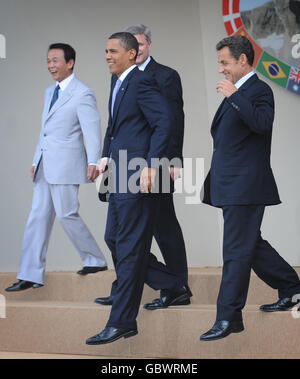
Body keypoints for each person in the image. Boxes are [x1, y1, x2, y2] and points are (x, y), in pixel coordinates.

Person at [200, 35, 300, 341]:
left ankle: (229, 317)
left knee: (234, 251)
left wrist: (234, 95)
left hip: (245, 186)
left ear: (243, 60)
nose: (221, 69)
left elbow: (262, 123)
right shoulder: (238, 93)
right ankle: (293, 288)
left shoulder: (258, 91)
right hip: (229, 185)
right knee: (249, 245)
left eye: (224, 62)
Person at [85, 32, 183, 345]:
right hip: (117, 171)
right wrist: (102, 158)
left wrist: (153, 165)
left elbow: (165, 121)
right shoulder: (119, 82)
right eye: (105, 51)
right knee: (114, 238)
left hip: (137, 173)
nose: (107, 56)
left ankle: (122, 321)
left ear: (131, 53)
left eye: (113, 51)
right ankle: (174, 284)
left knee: (127, 247)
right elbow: (115, 128)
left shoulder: (142, 81)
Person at [6, 43, 107, 292]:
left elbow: (92, 129)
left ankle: (95, 260)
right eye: (48, 60)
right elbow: (46, 130)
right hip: (44, 164)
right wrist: (34, 160)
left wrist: (94, 161)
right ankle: (30, 274)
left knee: (66, 214)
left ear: (70, 63)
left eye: (55, 60)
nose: (50, 65)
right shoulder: (49, 91)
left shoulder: (83, 93)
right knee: (37, 217)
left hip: (66, 164)